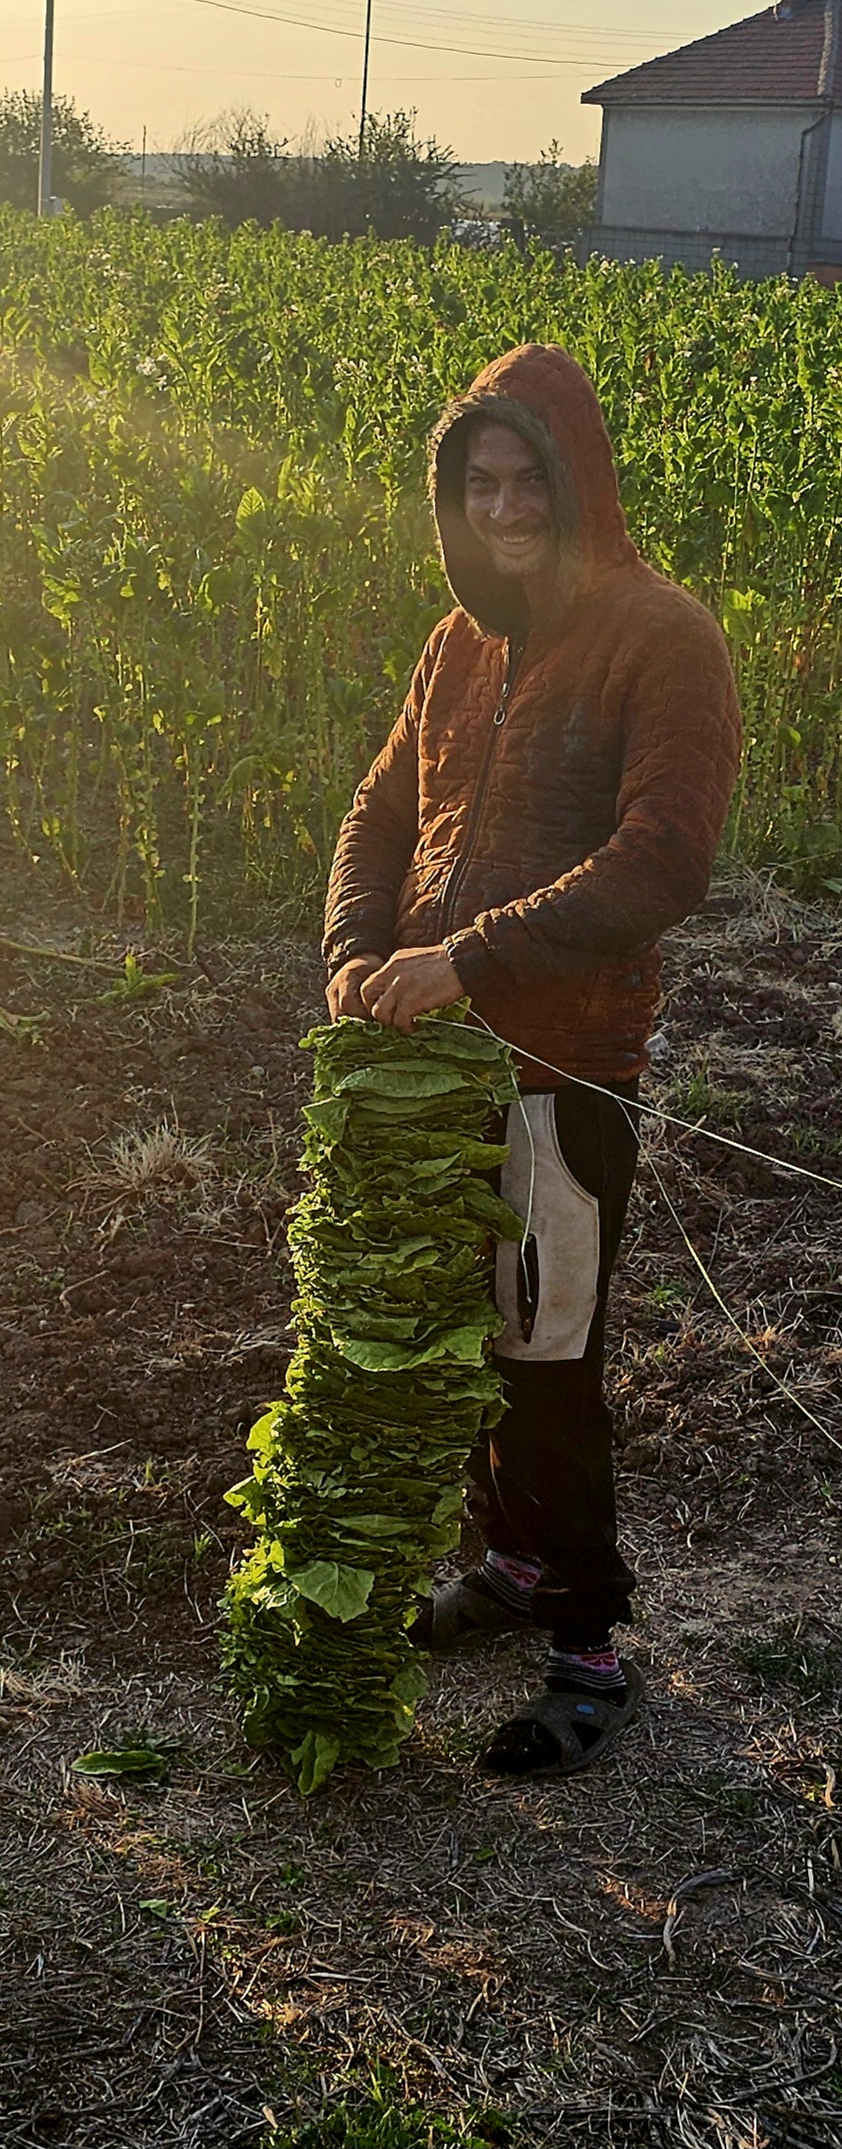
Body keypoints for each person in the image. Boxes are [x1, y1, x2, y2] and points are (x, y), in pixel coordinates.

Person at [323, 343, 741, 1778]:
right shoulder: (458, 643)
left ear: (579, 483)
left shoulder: (658, 635)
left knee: (546, 1350)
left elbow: (663, 858)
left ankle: (586, 1643)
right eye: (476, 483)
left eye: (526, 481)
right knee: (470, 1336)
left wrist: (470, 958)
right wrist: (352, 948)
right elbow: (382, 806)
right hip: (435, 1067)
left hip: (564, 1066)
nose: (503, 508)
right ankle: (506, 1566)